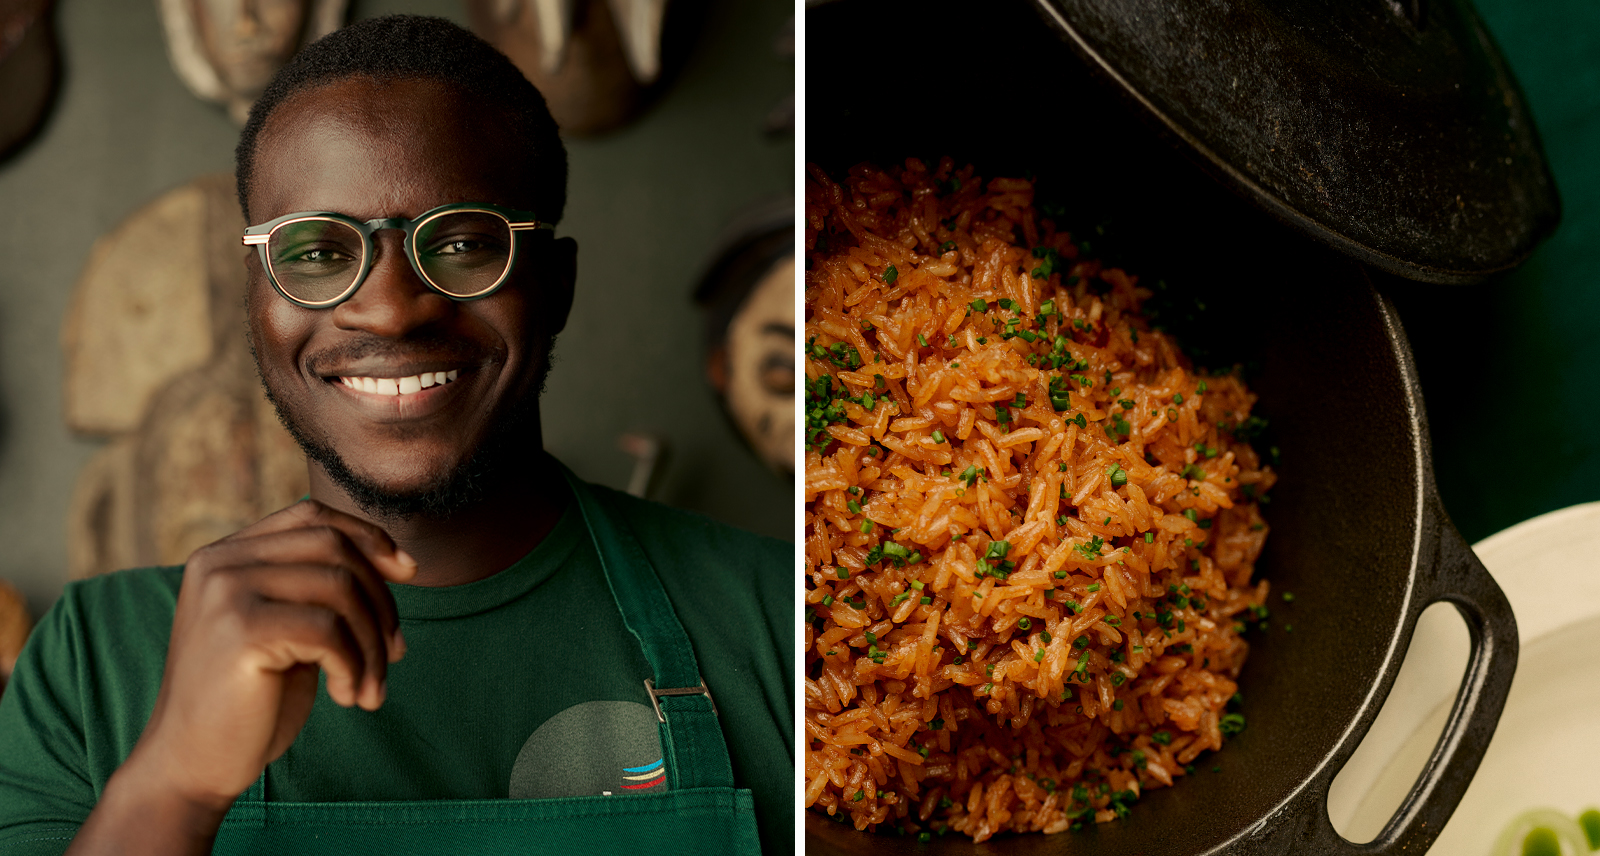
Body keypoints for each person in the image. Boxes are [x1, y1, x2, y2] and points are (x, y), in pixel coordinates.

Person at [0, 15, 792, 855]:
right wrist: (176, 784)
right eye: (314, 251)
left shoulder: (781, 620)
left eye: (459, 243)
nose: (388, 306)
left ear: (554, 286)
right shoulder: (94, 658)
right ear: (255, 296)